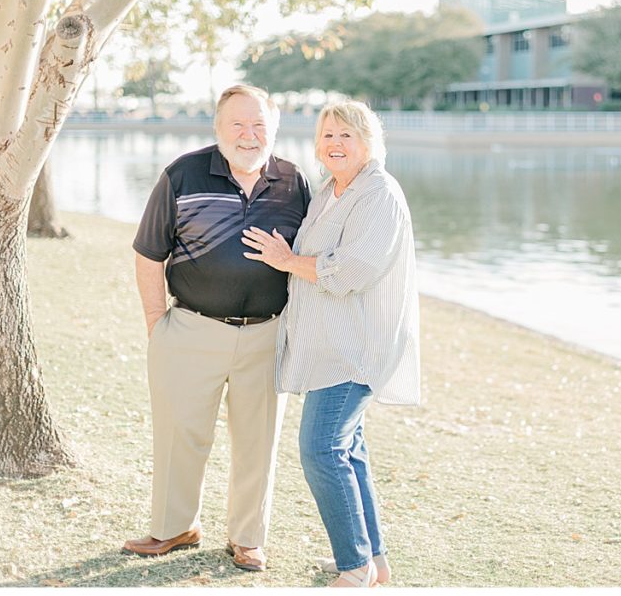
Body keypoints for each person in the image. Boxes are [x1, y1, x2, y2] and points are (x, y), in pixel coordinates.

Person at [122, 84, 310, 572]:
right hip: (190, 328)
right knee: (180, 433)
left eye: (259, 126)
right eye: (238, 125)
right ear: (219, 128)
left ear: (273, 130)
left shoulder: (295, 183)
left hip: (268, 333)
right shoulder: (182, 174)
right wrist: (153, 321)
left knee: (258, 441)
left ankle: (248, 538)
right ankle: (174, 526)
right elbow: (148, 253)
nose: (249, 135)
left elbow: (310, 258)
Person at [241, 100, 420, 587]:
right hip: (327, 347)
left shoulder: (377, 194)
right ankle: (374, 561)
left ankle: (354, 567)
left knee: (321, 449)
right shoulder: (331, 191)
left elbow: (355, 270)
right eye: (327, 136)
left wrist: (285, 260)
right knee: (349, 449)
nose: (335, 144)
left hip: (355, 349)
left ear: (368, 142)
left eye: (346, 135)